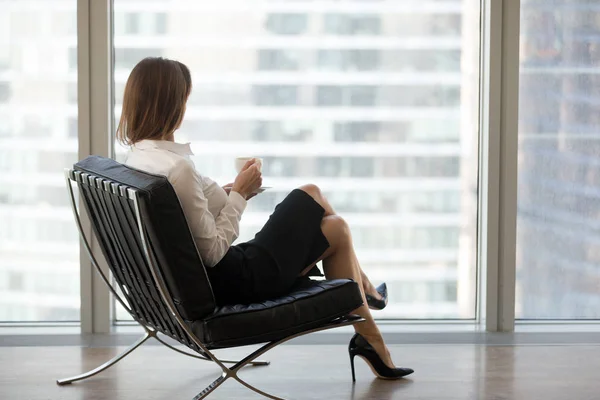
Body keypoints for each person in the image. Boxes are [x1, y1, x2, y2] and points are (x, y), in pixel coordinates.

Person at [118, 57, 414, 380]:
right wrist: (239, 196)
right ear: (172, 106)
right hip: (241, 280)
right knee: (312, 192)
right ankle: (367, 297)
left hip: (218, 278)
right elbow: (214, 251)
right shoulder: (178, 169)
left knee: (337, 229)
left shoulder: (140, 158)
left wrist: (231, 190)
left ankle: (372, 336)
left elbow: (192, 212)